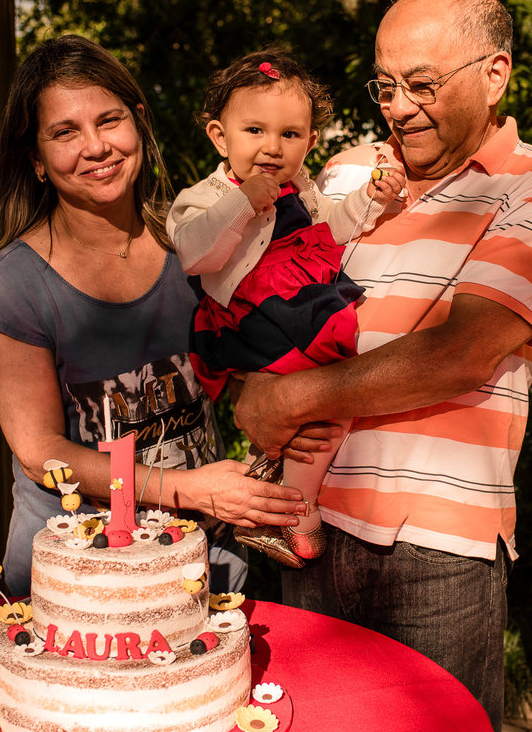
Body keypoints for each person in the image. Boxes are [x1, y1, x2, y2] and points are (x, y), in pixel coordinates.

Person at [232, 0, 532, 732]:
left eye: (421, 84)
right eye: (385, 84)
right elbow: (271, 296)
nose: (397, 106)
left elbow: (461, 351)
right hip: (309, 524)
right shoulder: (345, 173)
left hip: (438, 549)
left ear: (495, 75)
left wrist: (290, 400)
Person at [0, 35, 312, 597]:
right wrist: (190, 489)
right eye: (65, 133)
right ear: (37, 160)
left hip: (207, 568)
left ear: (139, 123)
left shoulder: (194, 246)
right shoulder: (14, 284)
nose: (96, 147)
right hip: (82, 587)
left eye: (109, 121)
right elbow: (39, 452)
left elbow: (242, 364)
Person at [166, 50, 404, 568]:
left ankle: (272, 486)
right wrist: (244, 201)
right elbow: (194, 252)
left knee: (336, 395)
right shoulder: (205, 197)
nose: (272, 148)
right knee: (337, 387)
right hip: (252, 315)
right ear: (219, 136)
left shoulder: (304, 190)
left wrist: (372, 199)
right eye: (254, 130)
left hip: (293, 308)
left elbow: (333, 229)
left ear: (311, 143)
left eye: (290, 135)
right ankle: (298, 507)